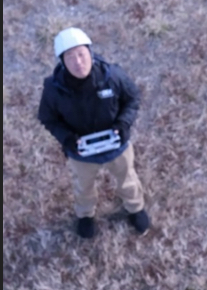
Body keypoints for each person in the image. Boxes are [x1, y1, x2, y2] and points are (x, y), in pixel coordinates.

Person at [38, 27, 151, 238]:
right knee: (83, 186)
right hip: (81, 153)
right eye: (70, 57)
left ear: (90, 52)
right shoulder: (53, 89)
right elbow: (47, 118)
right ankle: (85, 215)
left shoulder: (112, 75)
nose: (78, 62)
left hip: (117, 146)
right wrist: (67, 139)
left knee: (127, 178)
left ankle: (135, 208)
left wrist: (123, 124)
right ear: (62, 62)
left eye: (81, 54)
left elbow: (133, 98)